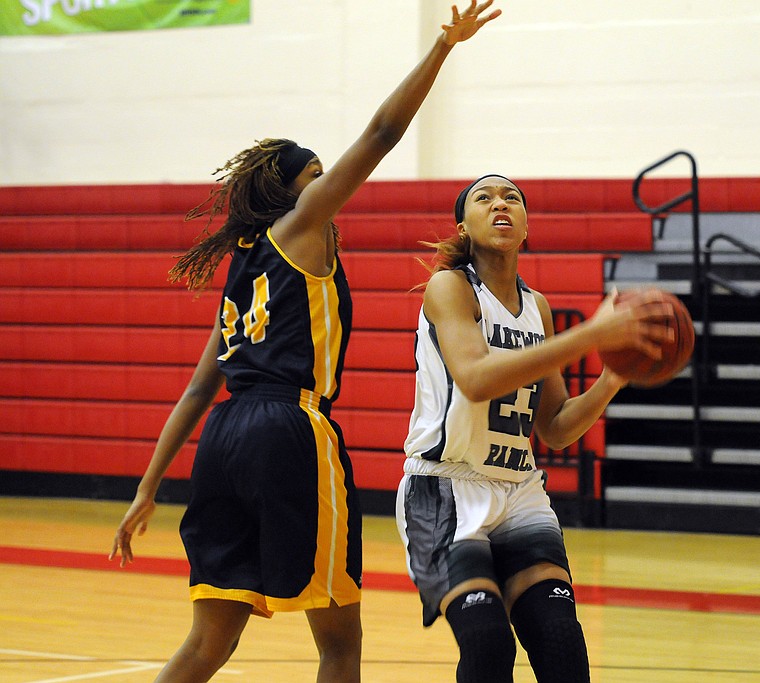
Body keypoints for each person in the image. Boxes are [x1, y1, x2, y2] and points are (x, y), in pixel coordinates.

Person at [108, 4, 502, 682]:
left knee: (207, 642)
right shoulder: (299, 230)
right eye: (316, 178)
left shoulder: (243, 267)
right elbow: (380, 134)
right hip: (289, 428)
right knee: (340, 641)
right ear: (291, 195)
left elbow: (203, 386)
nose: (328, 190)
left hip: (223, 438)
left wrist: (147, 487)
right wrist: (443, 45)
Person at [395, 174, 674, 682]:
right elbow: (477, 380)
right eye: (484, 198)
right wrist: (590, 334)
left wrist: (612, 378)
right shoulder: (450, 288)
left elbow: (556, 428)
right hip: (444, 489)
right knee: (489, 646)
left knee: (561, 642)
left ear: (526, 227)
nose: (500, 204)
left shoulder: (536, 307)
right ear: (464, 225)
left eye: (512, 198)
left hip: (519, 491)